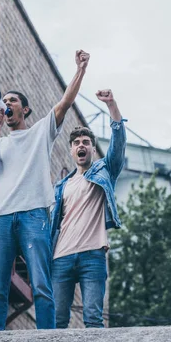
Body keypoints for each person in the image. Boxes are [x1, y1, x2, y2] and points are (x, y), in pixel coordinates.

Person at [0, 50, 91, 330]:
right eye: (4, 101)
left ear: (25, 109)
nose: (6, 104)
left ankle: (46, 340)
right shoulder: (2, 141)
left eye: (12, 101)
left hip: (34, 215)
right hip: (1, 218)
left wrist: (80, 69)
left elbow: (66, 102)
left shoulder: (42, 130)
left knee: (41, 283)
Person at [50, 89, 126, 328]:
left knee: (93, 319)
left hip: (92, 254)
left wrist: (111, 105)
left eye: (86, 143)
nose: (81, 146)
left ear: (93, 150)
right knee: (57, 321)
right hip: (60, 256)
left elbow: (118, 145)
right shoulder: (61, 186)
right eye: (76, 143)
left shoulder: (105, 171)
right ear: (72, 150)